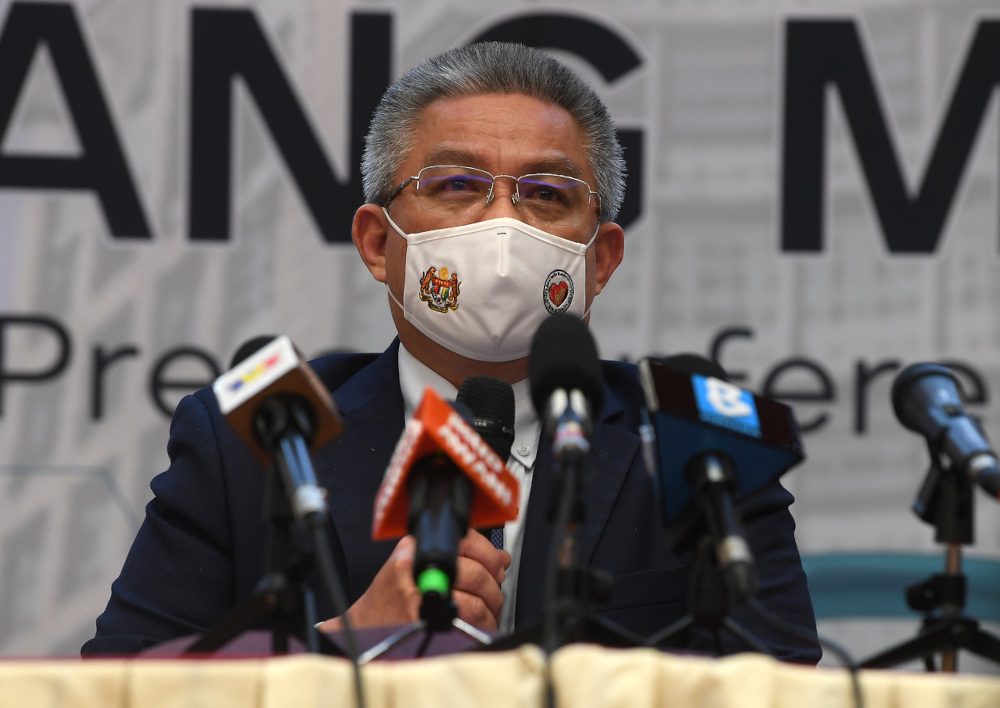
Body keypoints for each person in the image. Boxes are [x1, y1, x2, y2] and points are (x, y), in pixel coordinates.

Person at [83, 42, 820, 662]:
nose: (503, 225)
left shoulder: (707, 443)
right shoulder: (256, 438)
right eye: (457, 185)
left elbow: (784, 690)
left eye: (548, 194)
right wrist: (345, 648)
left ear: (600, 260)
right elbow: (119, 688)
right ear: (378, 244)